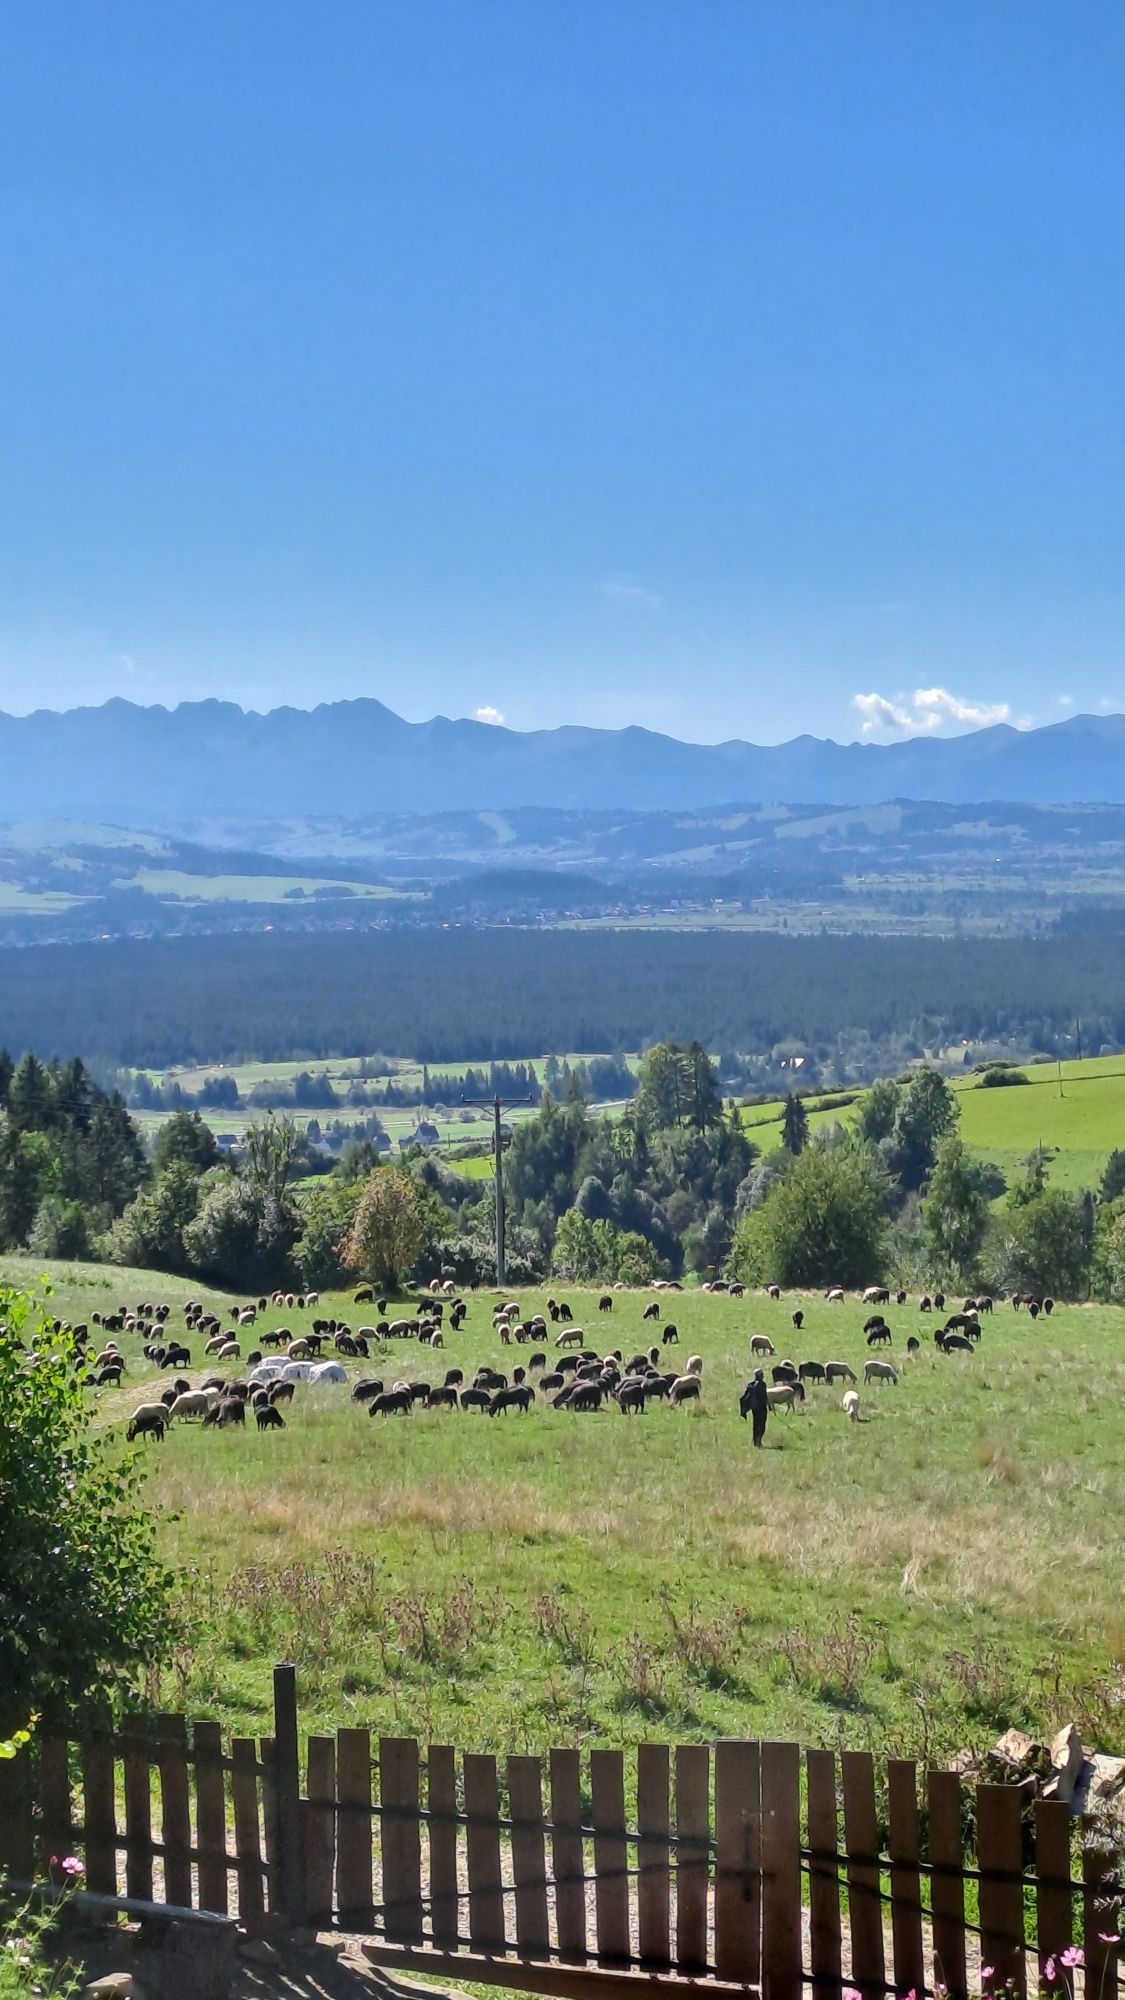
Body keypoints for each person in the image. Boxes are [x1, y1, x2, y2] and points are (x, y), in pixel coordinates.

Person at [739, 1367, 769, 1448]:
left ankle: (755, 1442)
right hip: (761, 1408)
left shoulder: (750, 1384)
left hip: (754, 1408)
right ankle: (758, 1442)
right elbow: (764, 1397)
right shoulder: (762, 1384)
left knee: (755, 1424)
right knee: (761, 1425)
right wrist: (768, 1405)